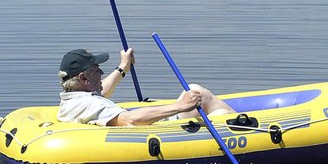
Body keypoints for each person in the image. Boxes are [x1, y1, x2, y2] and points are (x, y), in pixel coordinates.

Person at [56, 48, 236, 126]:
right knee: (199, 93)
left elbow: (102, 92)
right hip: (157, 131)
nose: (101, 72)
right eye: (96, 70)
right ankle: (249, 130)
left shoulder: (75, 99)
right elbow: (129, 119)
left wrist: (123, 68)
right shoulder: (90, 104)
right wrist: (180, 106)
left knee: (196, 93)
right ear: (84, 78)